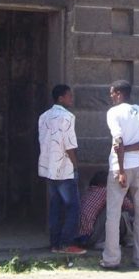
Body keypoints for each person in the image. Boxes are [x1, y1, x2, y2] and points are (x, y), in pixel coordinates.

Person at [100, 79, 139, 269]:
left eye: (112, 93)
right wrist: (131, 149)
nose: (111, 96)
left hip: (119, 167)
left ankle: (111, 259)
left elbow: (117, 141)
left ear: (119, 93)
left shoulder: (113, 112)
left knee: (113, 214)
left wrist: (121, 169)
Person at [37, 83, 85, 255]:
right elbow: (70, 146)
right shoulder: (67, 117)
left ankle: (54, 244)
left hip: (49, 168)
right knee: (73, 207)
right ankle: (67, 244)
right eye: (69, 96)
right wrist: (75, 165)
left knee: (55, 207)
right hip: (65, 169)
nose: (71, 99)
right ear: (61, 98)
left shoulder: (43, 117)